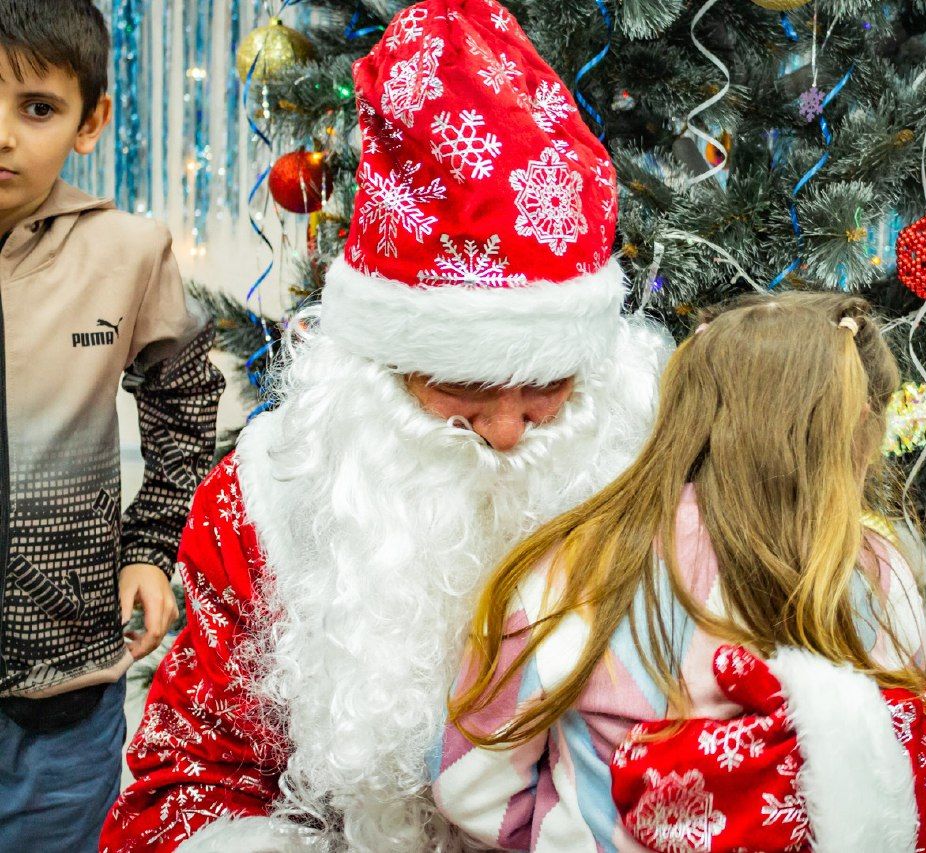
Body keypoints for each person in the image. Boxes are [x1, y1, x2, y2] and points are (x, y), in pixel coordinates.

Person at [100, 1, 668, 850]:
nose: (509, 431)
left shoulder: (669, 477)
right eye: (463, 385)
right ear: (383, 362)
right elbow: (183, 781)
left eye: (548, 383)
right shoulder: (269, 498)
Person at [431, 293, 926, 852]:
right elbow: (898, 760)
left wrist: (574, 833)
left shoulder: (573, 566)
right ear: (856, 424)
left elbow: (468, 782)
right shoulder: (880, 571)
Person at [0, 2, 224, 851]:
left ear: (91, 120)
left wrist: (151, 543)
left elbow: (184, 397)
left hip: (64, 706)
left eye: (38, 107)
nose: (4, 136)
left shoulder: (128, 252)